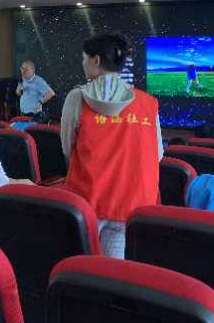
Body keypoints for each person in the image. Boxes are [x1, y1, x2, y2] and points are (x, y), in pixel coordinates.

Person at [61, 34, 162, 259]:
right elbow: (157, 154)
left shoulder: (77, 98)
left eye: (84, 58)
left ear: (96, 60)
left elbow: (68, 148)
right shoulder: (148, 103)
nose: (83, 63)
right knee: (108, 270)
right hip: (131, 203)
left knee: (80, 264)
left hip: (87, 198)